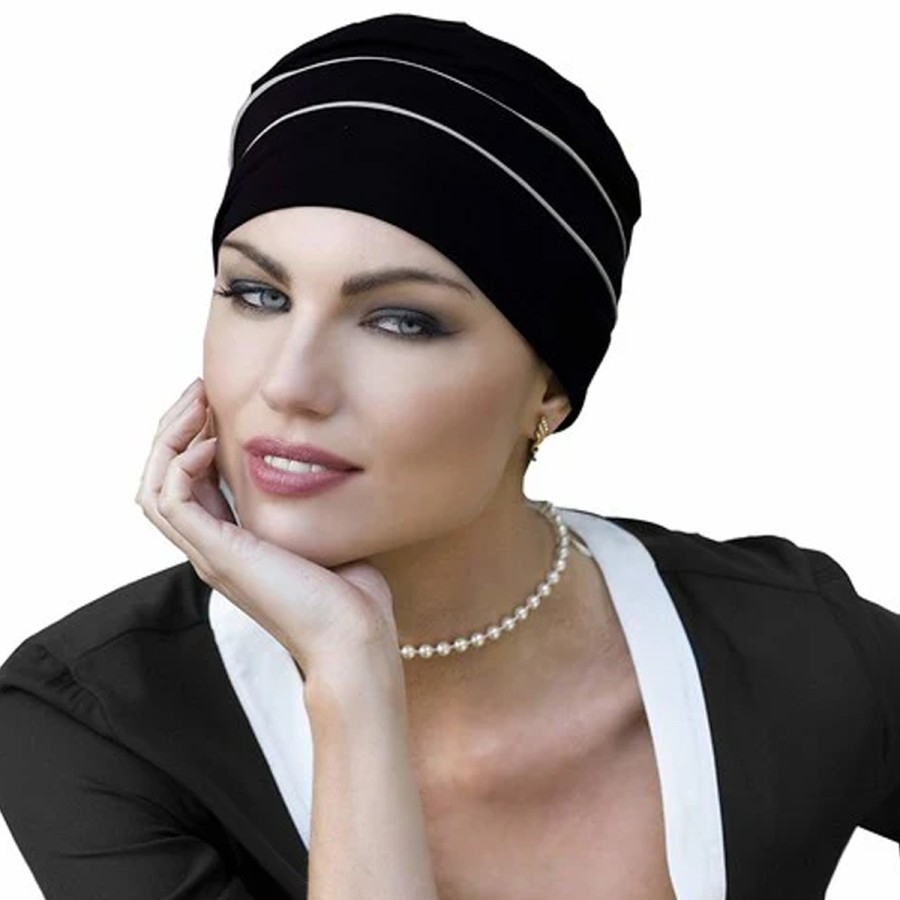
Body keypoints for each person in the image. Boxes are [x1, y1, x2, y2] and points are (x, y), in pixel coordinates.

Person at [0, 12, 897, 900]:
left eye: (401, 321)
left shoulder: (788, 646)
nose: (290, 383)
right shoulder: (99, 718)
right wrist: (351, 678)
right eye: (258, 294)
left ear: (550, 389)